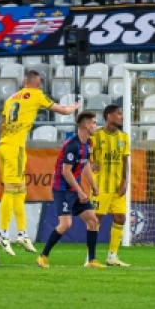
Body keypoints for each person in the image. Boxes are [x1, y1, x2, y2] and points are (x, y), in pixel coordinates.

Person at [0, 71, 79, 256]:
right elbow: (63, 111)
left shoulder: (11, 98)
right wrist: (74, 107)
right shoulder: (36, 94)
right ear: (38, 83)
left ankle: (22, 233)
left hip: (4, 145)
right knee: (11, 189)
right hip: (15, 147)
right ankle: (2, 233)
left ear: (24, 81)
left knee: (19, 189)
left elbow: (1, 126)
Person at [37, 111, 103, 269]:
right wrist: (80, 191)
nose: (96, 126)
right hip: (63, 190)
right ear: (86, 126)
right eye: (94, 123)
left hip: (75, 188)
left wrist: (93, 185)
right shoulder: (71, 145)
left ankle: (92, 260)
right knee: (66, 224)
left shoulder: (88, 143)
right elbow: (66, 172)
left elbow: (85, 164)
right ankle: (43, 256)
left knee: (92, 220)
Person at [89, 104, 131, 267]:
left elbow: (125, 161)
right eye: (118, 114)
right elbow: (86, 155)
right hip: (100, 186)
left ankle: (112, 256)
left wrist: (125, 181)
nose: (121, 116)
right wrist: (91, 164)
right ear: (109, 116)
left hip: (117, 186)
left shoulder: (124, 137)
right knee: (96, 220)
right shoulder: (96, 136)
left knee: (120, 218)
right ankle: (90, 257)